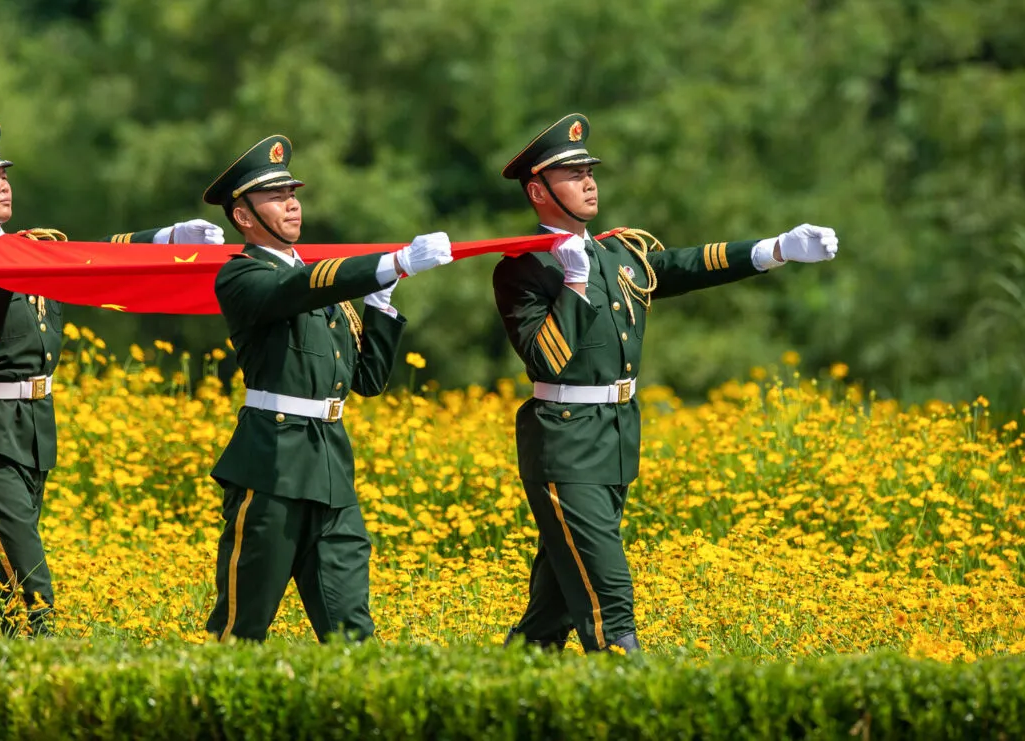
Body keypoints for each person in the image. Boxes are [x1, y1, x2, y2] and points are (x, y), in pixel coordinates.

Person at [493, 114, 838, 654]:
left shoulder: (615, 252)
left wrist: (773, 250)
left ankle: (510, 679)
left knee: (556, 600)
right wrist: (575, 283)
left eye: (589, 170)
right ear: (538, 191)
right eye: (571, 175)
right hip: (565, 442)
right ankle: (630, 686)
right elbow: (546, 358)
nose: (588, 181)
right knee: (609, 598)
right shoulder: (524, 266)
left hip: (614, 439)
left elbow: (683, 265)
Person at [0, 117, 224, 635]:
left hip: (34, 429)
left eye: (3, 173)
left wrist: (165, 238)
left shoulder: (32, 248)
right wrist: (0, 277)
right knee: (29, 585)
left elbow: (94, 256)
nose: (3, 183)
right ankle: (43, 665)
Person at [201, 133, 452, 642]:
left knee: (352, 630)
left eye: (292, 193)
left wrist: (381, 302)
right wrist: (392, 262)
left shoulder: (326, 288)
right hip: (272, 463)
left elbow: (367, 380)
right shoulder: (243, 276)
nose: (292, 204)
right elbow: (294, 291)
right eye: (275, 196)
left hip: (331, 467)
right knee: (242, 627)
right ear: (243, 216)